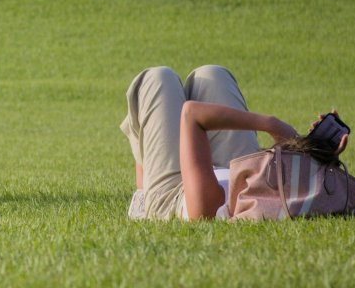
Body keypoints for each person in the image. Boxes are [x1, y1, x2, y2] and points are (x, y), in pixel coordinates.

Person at [120, 65, 338, 220]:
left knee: (158, 78)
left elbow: (192, 115)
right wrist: (320, 151)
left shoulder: (207, 206)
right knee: (212, 74)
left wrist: (271, 124)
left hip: (172, 194)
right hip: (233, 169)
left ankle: (144, 193)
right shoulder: (274, 188)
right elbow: (319, 189)